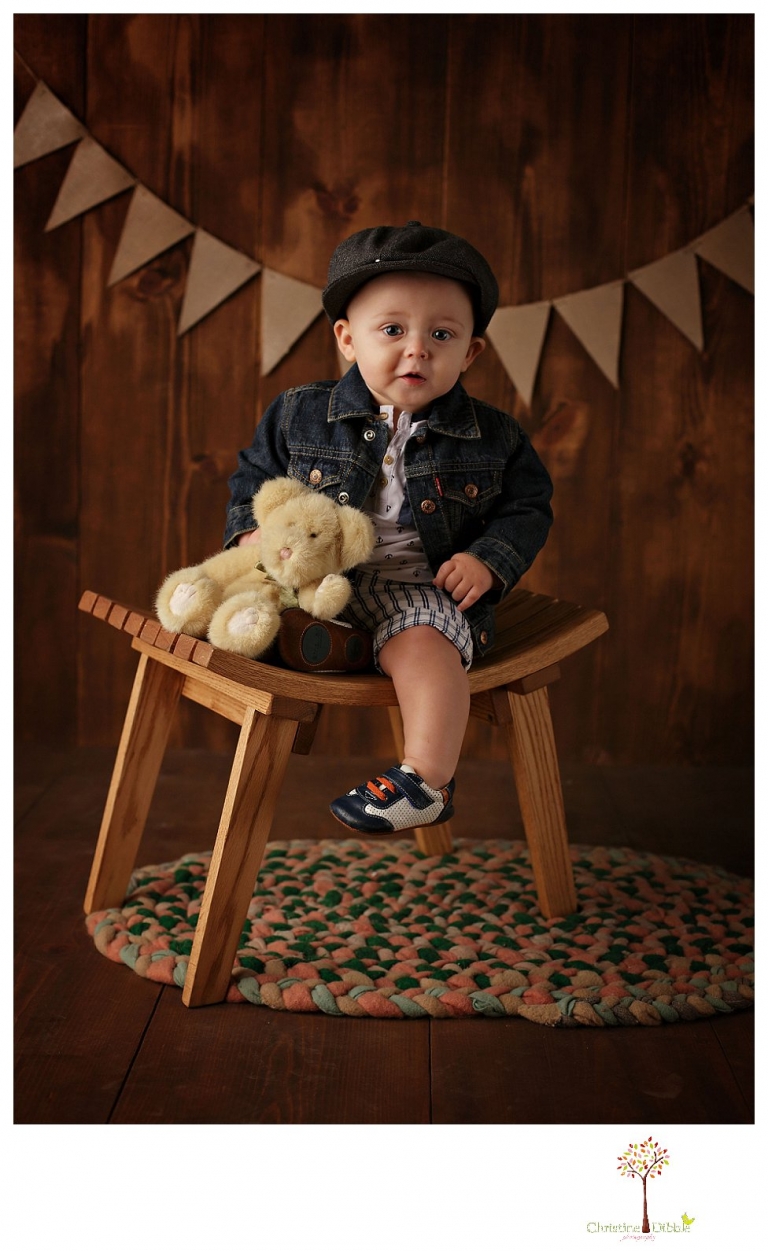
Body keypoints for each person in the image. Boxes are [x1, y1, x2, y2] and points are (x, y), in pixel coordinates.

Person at [224, 221, 553, 836]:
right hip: (313, 580)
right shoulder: (300, 413)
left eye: (442, 334)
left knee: (425, 642)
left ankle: (425, 780)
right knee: (249, 611)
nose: (418, 349)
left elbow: (528, 506)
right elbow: (253, 479)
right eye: (393, 330)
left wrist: (488, 560)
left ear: (471, 352)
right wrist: (250, 535)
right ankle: (331, 644)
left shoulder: (495, 436)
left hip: (417, 587)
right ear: (348, 339)